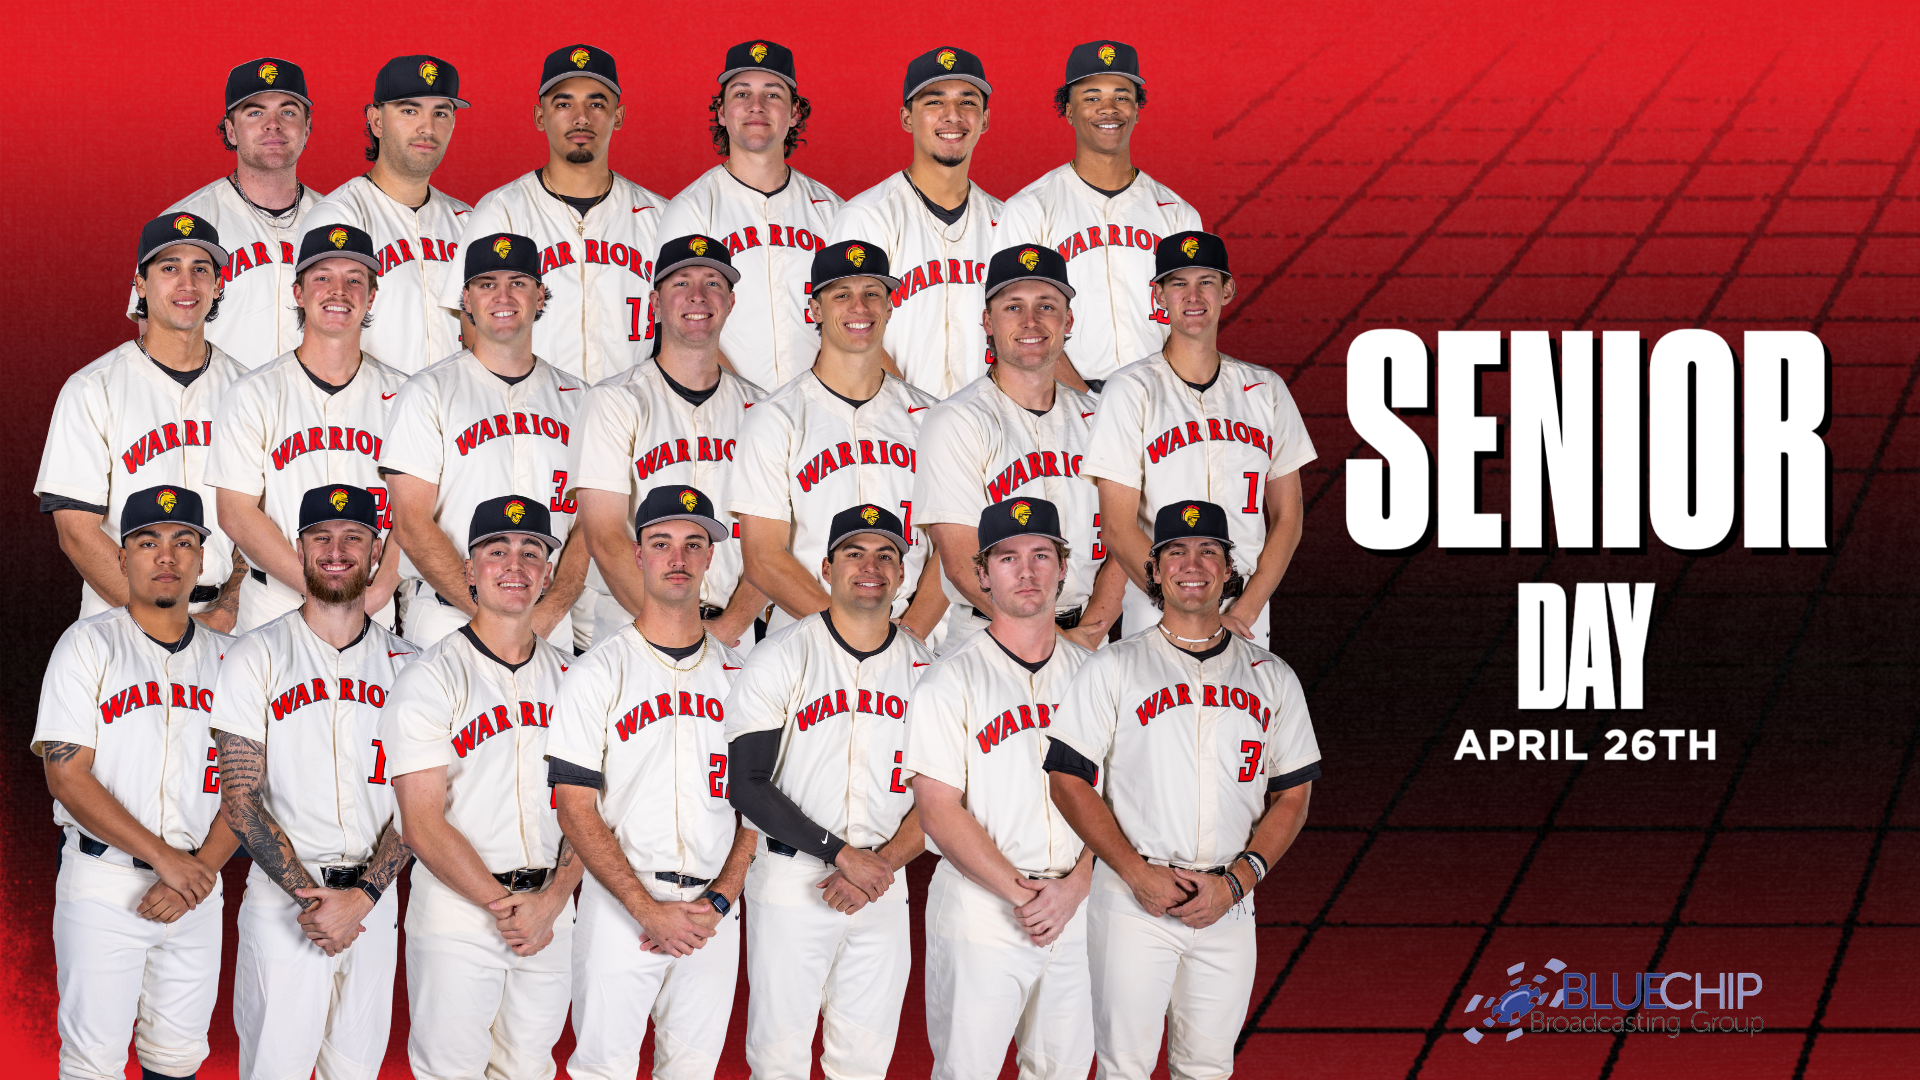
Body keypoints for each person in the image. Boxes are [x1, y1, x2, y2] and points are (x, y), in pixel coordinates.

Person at [1045, 500, 1320, 1080]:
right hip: (1134, 898)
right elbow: (1067, 779)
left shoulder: (1273, 676)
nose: (1191, 564)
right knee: (1124, 1067)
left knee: (1210, 1067)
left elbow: (1293, 797)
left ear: (1228, 568)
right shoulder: (1113, 666)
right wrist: (1135, 874)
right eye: (1175, 551)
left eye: (1208, 551)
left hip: (1228, 899)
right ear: (1153, 569)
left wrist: (1239, 881)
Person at [548, 485, 758, 1080]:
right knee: (603, 1072)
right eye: (662, 543)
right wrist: (646, 909)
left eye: (694, 543)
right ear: (638, 554)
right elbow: (573, 809)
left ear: (711, 556)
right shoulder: (597, 672)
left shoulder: (742, 677)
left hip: (713, 914)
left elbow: (757, 805)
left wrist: (720, 899)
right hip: (622, 909)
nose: (678, 557)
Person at [32, 485, 239, 1080]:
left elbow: (251, 786)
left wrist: (196, 874)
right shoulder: (86, 644)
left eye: (183, 542)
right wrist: (169, 863)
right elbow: (66, 776)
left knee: (178, 1057)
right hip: (105, 882)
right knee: (92, 1063)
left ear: (202, 558)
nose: (166, 556)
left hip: (197, 887)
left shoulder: (236, 660)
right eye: (147, 542)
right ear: (122, 558)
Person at [209, 484, 415, 1080]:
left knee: (355, 1072)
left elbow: (423, 804)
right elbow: (239, 800)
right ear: (299, 551)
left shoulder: (412, 666)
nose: (336, 551)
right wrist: (316, 903)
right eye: (321, 537)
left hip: (374, 903)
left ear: (376, 552)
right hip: (285, 904)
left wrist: (362, 898)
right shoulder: (255, 655)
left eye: (353, 537)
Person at [724, 503, 932, 1080]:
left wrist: (877, 867)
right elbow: (747, 784)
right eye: (854, 553)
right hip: (794, 880)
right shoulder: (780, 655)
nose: (871, 567)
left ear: (902, 574)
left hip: (882, 883)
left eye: (886, 555)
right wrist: (843, 856)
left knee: (865, 1061)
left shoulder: (927, 668)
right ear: (826, 568)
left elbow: (943, 795)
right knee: (778, 1060)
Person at [380, 495, 585, 1079]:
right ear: (469, 571)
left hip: (550, 912)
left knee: (531, 1069)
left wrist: (551, 902)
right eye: (497, 552)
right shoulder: (429, 676)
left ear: (548, 573)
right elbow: (420, 824)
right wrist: (508, 908)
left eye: (531, 552)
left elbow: (589, 810)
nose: (515, 565)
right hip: (460, 912)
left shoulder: (575, 680)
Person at [905, 497, 1095, 1080]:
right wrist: (1026, 897)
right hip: (982, 907)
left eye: (1042, 555)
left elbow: (1120, 801)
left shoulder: (1097, 676)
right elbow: (937, 810)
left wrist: (1075, 888)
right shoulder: (948, 677)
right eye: (1008, 558)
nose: (1027, 571)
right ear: (982, 574)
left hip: (1078, 906)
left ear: (1063, 567)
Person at [1081, 232, 1316, 647]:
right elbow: (1117, 526)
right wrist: (1185, 613)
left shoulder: (1266, 390)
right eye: (1178, 283)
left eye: (1206, 281)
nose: (1193, 296)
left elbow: (1288, 516)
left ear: (1227, 290)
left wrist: (1244, 611)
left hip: (1246, 612)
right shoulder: (1129, 390)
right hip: (1157, 613)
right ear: (1158, 295)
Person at [729, 242, 947, 640]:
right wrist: (851, 634)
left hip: (915, 637)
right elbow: (763, 558)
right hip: (805, 636)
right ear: (815, 309)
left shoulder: (932, 419)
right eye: (842, 295)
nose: (859, 307)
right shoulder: (773, 418)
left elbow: (954, 545)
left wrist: (910, 635)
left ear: (890, 306)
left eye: (872, 294)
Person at [39, 214, 246, 631]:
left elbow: (263, 519)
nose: (187, 284)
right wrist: (162, 624)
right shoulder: (91, 388)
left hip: (225, 625)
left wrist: (228, 610)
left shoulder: (248, 390)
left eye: (200, 269)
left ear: (217, 285)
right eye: (169, 268)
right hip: (120, 621)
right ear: (140, 284)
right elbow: (76, 532)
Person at [383, 232, 589, 650]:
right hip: (447, 617)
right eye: (487, 284)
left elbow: (594, 525)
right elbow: (410, 522)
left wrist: (550, 611)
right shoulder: (428, 391)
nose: (503, 296)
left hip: (548, 620)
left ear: (540, 296)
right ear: (466, 298)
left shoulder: (580, 399)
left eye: (518, 282)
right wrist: (491, 619)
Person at [913, 243, 1120, 654]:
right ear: (987, 321)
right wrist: (1053, 640)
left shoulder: (1101, 420)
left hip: (1087, 638)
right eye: (1013, 307)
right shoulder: (955, 420)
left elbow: (1125, 540)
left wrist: (1088, 634)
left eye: (1046, 306)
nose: (1031, 321)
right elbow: (960, 563)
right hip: (987, 639)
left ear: (1068, 319)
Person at [571, 236, 766, 650]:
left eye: (713, 283)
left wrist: (730, 627)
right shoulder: (613, 401)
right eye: (681, 283)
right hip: (633, 628)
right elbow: (604, 537)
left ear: (731, 302)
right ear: (655, 304)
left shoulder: (762, 410)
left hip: (734, 635)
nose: (698, 296)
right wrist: (675, 631)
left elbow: (771, 541)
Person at [210, 224, 407, 632]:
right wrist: (323, 592)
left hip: (372, 605)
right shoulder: (253, 393)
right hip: (276, 606)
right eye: (322, 278)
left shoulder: (406, 396)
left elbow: (416, 512)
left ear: (371, 296)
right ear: (298, 292)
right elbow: (235, 512)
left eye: (354, 280)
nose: (339, 291)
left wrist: (381, 590)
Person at [441, 44, 668, 384]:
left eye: (596, 103)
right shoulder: (501, 210)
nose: (581, 117)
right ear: (539, 116)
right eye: (564, 104)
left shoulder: (659, 216)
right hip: (535, 407)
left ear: (618, 116)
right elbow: (474, 325)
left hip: (634, 405)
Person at [999, 41, 1201, 392]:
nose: (1109, 109)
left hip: (1160, 393)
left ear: (1137, 109)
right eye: (1092, 97)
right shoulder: (1030, 208)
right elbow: (1014, 321)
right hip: (1062, 397)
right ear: (1068, 110)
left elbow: (1194, 319)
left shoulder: (1177, 214)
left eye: (1122, 96)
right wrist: (1083, 402)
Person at [658, 40, 844, 390]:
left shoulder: (832, 210)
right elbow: (678, 324)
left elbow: (851, 316)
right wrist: (744, 401)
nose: (756, 106)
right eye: (741, 94)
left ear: (795, 113)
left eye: (772, 94)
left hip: (820, 405)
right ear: (720, 111)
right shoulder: (691, 209)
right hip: (723, 406)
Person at [828, 47, 1003, 398]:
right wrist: (915, 414)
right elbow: (847, 335)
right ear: (907, 118)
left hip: (989, 421)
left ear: (984, 119)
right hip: (894, 420)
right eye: (934, 102)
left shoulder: (1006, 222)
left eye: (967, 102)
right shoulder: (867, 217)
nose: (952, 115)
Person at [132, 58, 321, 368]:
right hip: (219, 397)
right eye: (255, 112)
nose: (273, 124)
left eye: (288, 112)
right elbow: (155, 336)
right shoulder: (182, 222)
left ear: (307, 128)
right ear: (231, 131)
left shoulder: (340, 220)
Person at [306, 54, 476, 375]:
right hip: (373, 404)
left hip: (457, 402)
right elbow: (319, 341)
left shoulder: (467, 221)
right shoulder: (339, 216)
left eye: (441, 113)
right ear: (377, 121)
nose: (427, 128)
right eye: (409, 110)